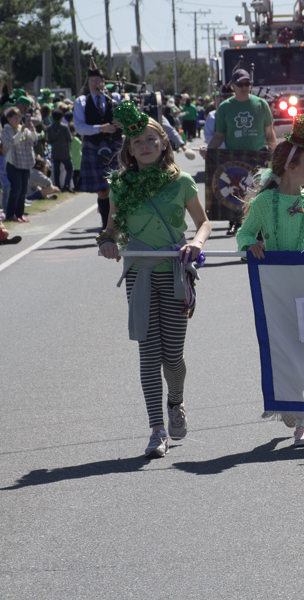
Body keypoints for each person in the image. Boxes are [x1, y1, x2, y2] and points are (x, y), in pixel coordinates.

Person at [97, 101, 212, 457]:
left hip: (175, 273)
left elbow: (204, 223)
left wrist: (195, 242)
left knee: (172, 356)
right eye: (137, 142)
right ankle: (156, 429)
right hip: (139, 275)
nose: (144, 146)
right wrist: (108, 243)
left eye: (150, 139)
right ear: (129, 150)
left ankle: (176, 402)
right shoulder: (120, 185)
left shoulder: (182, 181)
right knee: (149, 355)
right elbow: (111, 229)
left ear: (163, 143)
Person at [236, 114, 304, 447]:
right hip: (276, 290)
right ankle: (288, 401)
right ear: (291, 166)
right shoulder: (265, 203)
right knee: (283, 353)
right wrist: (250, 246)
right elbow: (243, 236)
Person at [203, 69, 277, 236]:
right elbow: (219, 136)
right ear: (233, 86)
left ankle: (258, 232)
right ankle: (235, 224)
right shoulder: (225, 108)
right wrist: (209, 151)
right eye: (241, 84)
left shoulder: (261, 104)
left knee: (257, 198)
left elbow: (269, 133)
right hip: (234, 159)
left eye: (247, 84)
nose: (245, 87)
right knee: (236, 195)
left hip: (258, 157)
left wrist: (276, 152)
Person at [73, 62, 123, 229]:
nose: (95, 84)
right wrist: (100, 128)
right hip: (93, 146)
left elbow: (129, 119)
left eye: (97, 80)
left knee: (116, 187)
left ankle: (119, 222)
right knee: (102, 190)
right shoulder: (81, 102)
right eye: (91, 81)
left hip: (115, 145)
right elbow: (79, 126)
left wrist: (121, 121)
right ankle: (105, 225)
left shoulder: (115, 98)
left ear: (103, 81)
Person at [2, 107, 37, 223]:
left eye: (19, 117)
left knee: (23, 190)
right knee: (16, 189)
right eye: (15, 117)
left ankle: (20, 214)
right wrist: (21, 131)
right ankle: (10, 214)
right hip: (13, 163)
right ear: (9, 119)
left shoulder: (24, 129)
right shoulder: (5, 131)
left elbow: (33, 141)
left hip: (25, 162)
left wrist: (32, 130)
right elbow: (12, 142)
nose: (18, 119)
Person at [46, 108, 74, 192]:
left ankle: (57, 186)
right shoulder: (64, 127)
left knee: (56, 171)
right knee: (69, 169)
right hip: (65, 152)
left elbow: (49, 141)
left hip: (55, 152)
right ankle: (66, 185)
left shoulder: (50, 128)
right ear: (61, 118)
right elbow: (69, 139)